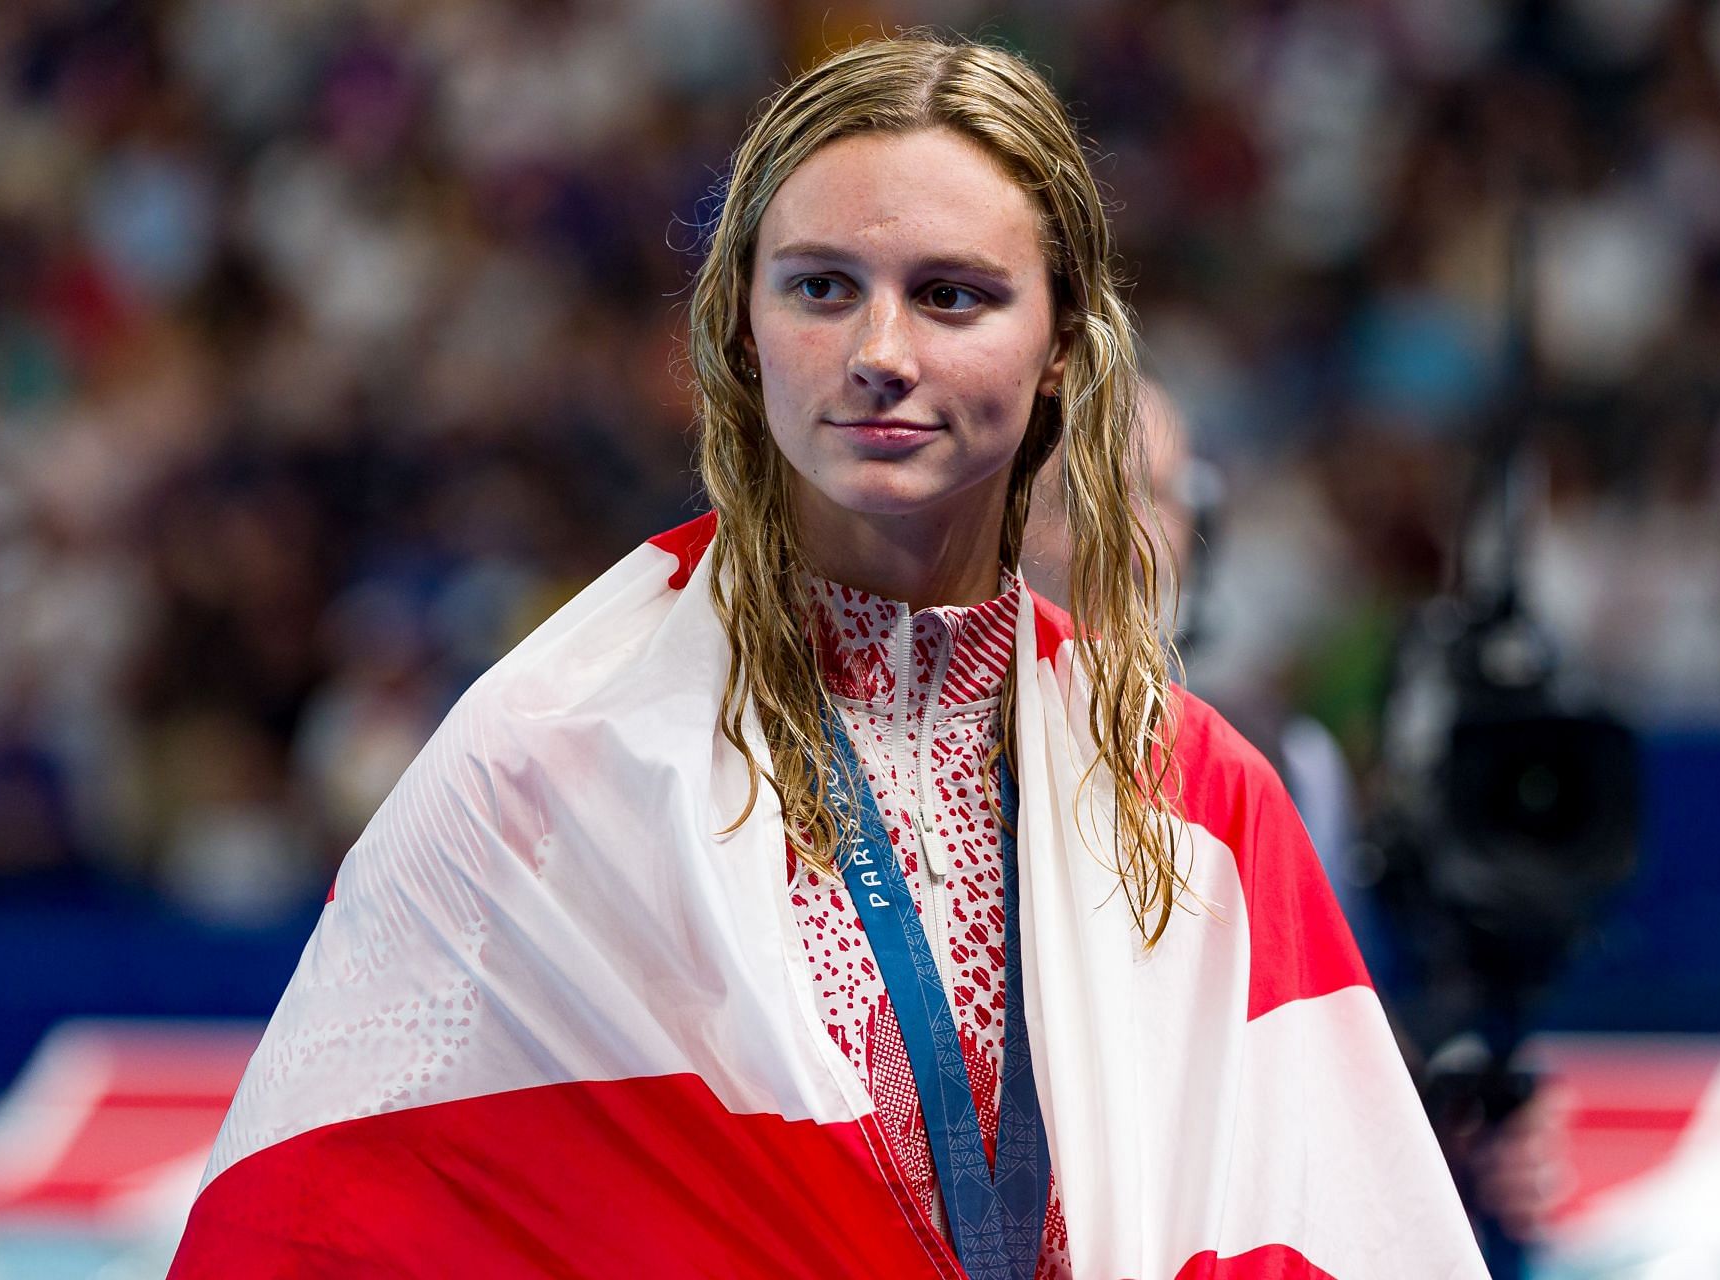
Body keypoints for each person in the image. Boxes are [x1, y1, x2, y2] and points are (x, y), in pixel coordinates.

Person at [170, 36, 1483, 1279]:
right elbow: (328, 1219)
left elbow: (1331, 1226)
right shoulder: (555, 759)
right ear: (742, 326)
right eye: (822, 288)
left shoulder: (1196, 798)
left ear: (1062, 349)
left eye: (954, 295)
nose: (881, 355)